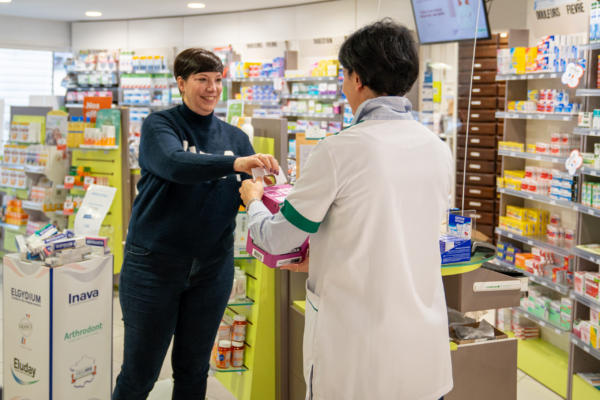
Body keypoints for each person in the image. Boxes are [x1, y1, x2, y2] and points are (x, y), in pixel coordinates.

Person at [240, 19, 453, 400]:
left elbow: (274, 238)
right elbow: (395, 231)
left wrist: (253, 200)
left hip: (358, 353)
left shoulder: (340, 150)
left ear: (357, 79)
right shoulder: (437, 148)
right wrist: (324, 254)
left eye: (344, 75)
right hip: (423, 346)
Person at [113, 48, 279, 400]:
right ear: (181, 83)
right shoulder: (161, 126)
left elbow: (243, 193)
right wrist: (235, 165)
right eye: (202, 79)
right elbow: (176, 164)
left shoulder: (236, 139)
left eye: (218, 80)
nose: (212, 88)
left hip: (211, 270)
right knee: (140, 373)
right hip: (154, 265)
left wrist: (268, 191)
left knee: (193, 370)